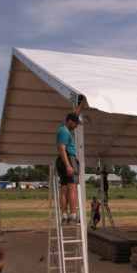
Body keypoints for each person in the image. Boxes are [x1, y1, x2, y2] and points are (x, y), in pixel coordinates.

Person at [56, 95, 87, 224]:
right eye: (75, 123)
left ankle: (64, 216)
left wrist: (83, 102)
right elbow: (62, 148)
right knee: (72, 188)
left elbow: (75, 113)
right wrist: (69, 165)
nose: (76, 126)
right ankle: (73, 216)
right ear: (70, 121)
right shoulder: (64, 132)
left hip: (62, 160)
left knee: (64, 189)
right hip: (68, 158)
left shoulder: (62, 126)